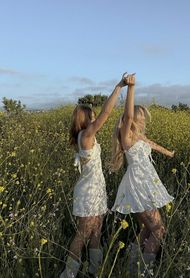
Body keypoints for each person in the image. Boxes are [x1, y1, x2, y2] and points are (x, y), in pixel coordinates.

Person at [60, 73, 128, 278]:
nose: (95, 118)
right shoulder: (86, 135)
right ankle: (69, 274)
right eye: (92, 116)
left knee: (97, 230)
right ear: (86, 119)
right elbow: (105, 114)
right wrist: (119, 86)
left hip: (96, 189)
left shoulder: (88, 137)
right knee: (83, 233)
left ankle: (93, 271)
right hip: (88, 192)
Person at [110, 74, 175, 276]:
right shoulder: (127, 134)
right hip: (138, 185)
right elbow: (127, 116)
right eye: (141, 118)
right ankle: (144, 271)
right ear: (135, 119)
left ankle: (131, 268)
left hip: (146, 185)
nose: (143, 121)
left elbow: (152, 144)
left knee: (147, 230)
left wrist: (169, 152)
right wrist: (131, 88)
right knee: (158, 230)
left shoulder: (138, 136)